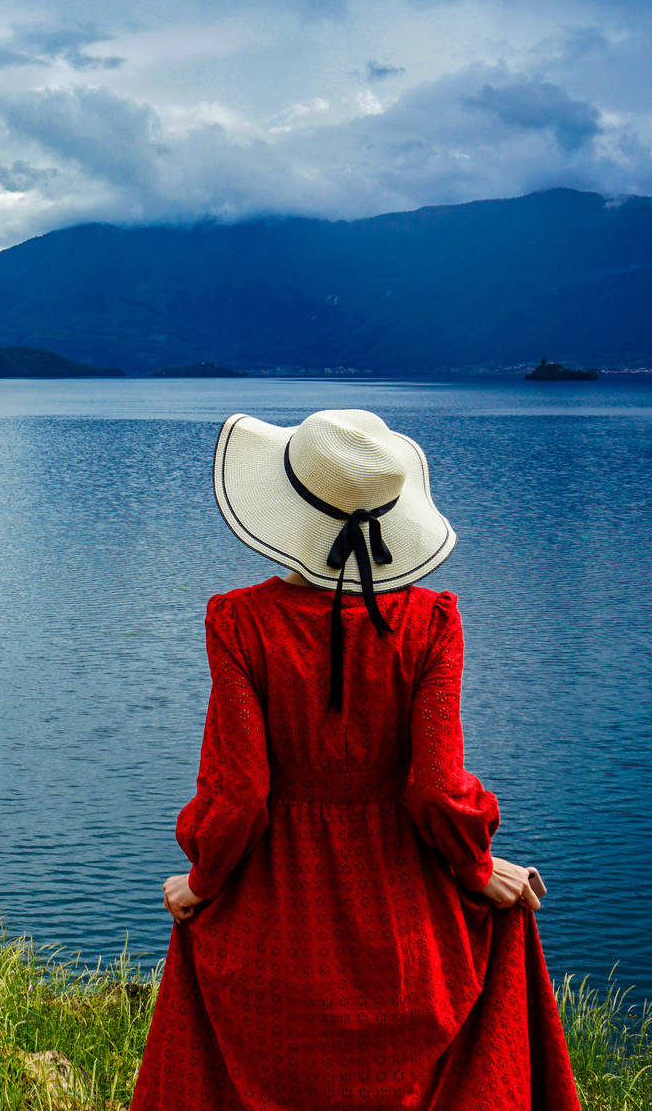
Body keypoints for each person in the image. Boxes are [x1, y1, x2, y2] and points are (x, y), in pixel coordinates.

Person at [130, 409, 580, 1110]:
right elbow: (436, 790)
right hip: (405, 928)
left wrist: (204, 881)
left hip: (276, 924)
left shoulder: (238, 622)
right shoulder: (433, 621)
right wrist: (474, 865)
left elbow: (241, 792)